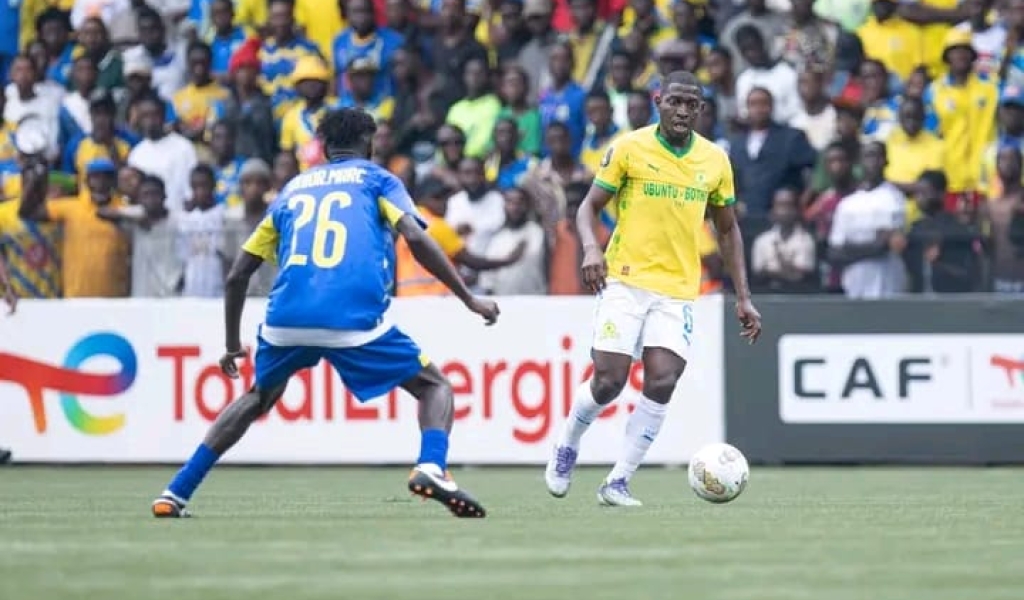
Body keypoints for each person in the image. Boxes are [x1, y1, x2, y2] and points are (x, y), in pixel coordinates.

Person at [152, 108, 499, 519]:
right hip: (350, 316)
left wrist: (231, 345)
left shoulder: (292, 190)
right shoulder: (377, 179)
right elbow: (415, 238)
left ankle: (175, 492)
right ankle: (432, 466)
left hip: (285, 317)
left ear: (325, 147)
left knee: (257, 396)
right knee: (434, 387)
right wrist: (469, 298)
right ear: (368, 144)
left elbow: (237, 275)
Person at [544, 71, 762, 507]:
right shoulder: (629, 148)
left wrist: (743, 297)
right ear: (659, 101)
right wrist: (591, 249)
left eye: (691, 104)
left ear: (701, 110)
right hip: (625, 279)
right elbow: (588, 207)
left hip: (677, 288)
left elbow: (727, 230)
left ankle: (618, 481)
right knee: (609, 381)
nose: (682, 111)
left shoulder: (715, 161)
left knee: (663, 379)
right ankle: (567, 443)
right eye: (675, 101)